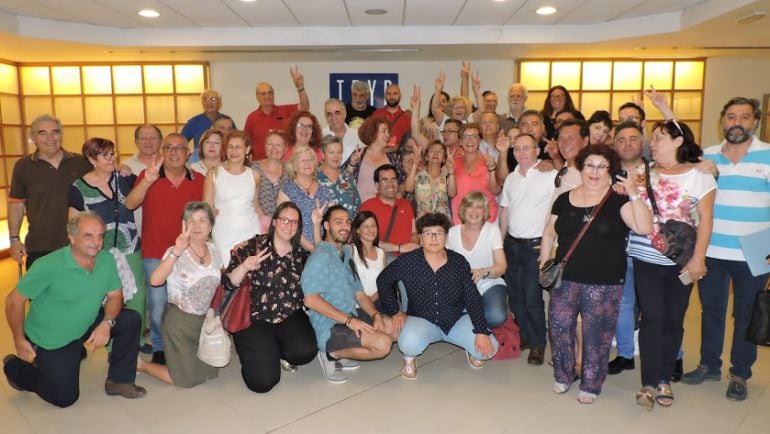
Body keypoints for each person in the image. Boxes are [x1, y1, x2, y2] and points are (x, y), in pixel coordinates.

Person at [540, 145, 652, 404]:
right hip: (565, 279)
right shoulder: (564, 198)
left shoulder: (619, 199)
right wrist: (545, 264)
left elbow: (644, 228)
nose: (594, 171)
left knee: (597, 334)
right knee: (559, 329)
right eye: (590, 165)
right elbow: (548, 233)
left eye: (602, 166)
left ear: (610, 170)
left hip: (604, 281)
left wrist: (634, 193)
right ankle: (563, 374)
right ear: (581, 167)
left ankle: (591, 383)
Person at [3, 212, 145, 407]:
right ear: (71, 237)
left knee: (129, 319)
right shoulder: (48, 265)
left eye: (100, 236)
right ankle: (15, 368)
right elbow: (13, 301)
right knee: (64, 398)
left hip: (85, 322)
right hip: (52, 339)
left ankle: (119, 381)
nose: (96, 242)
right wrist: (18, 339)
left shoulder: (106, 259)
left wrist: (106, 323)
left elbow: (115, 296)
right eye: (89, 236)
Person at [683, 97, 770, 402]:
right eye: (731, 116)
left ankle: (740, 373)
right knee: (712, 311)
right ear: (722, 121)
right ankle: (709, 364)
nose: (737, 123)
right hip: (713, 247)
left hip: (756, 249)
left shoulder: (768, 156)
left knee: (746, 314)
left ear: (754, 122)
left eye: (744, 117)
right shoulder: (708, 156)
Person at [629, 120, 716, 409]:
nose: (652, 143)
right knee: (652, 318)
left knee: (673, 319)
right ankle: (650, 383)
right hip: (646, 258)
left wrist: (698, 258)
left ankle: (665, 377)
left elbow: (705, 221)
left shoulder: (700, 175)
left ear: (678, 141)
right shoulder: (642, 173)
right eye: (651, 138)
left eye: (660, 138)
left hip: (682, 261)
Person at [378, 212, 499, 379]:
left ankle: (470, 349)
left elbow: (472, 297)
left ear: (446, 237)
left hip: (455, 318)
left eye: (439, 233)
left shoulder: (458, 262)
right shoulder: (408, 261)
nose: (434, 238)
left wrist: (480, 331)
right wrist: (395, 311)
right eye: (428, 233)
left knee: (489, 349)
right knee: (408, 344)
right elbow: (383, 281)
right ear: (420, 237)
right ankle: (409, 358)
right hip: (422, 319)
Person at [126, 133, 205, 365]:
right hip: (155, 253)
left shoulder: (198, 179)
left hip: (188, 254)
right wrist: (147, 181)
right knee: (158, 304)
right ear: (162, 152)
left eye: (180, 148)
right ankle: (160, 345)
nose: (174, 152)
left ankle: (187, 342)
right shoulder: (147, 175)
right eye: (168, 147)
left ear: (188, 153)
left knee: (188, 302)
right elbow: (130, 204)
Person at [222, 202, 319, 392]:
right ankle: (256, 348)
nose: (289, 226)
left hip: (289, 314)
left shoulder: (300, 254)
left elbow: (322, 255)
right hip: (254, 318)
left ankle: (275, 349)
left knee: (305, 352)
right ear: (274, 221)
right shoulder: (252, 247)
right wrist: (244, 268)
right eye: (284, 220)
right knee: (262, 382)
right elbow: (227, 282)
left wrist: (316, 225)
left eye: (294, 222)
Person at [303, 205, 399, 384]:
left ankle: (344, 349)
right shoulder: (320, 257)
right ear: (326, 226)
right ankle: (331, 353)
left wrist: (375, 315)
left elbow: (359, 293)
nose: (345, 226)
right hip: (329, 324)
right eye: (338, 222)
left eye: (347, 222)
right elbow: (310, 299)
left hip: (351, 314)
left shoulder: (346, 254)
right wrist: (349, 321)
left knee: (395, 329)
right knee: (383, 344)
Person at [68, 137, 147, 351]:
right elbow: (73, 221)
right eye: (106, 155)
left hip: (130, 244)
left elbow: (136, 199)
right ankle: (113, 346)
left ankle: (136, 340)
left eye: (113, 154)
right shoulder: (78, 187)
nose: (112, 159)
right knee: (110, 299)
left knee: (138, 295)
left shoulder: (124, 177)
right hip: (100, 252)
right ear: (92, 159)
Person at [136, 202, 223, 388]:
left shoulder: (215, 251)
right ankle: (141, 365)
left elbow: (217, 284)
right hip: (179, 322)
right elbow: (155, 280)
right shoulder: (175, 252)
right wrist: (177, 251)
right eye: (191, 221)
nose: (197, 226)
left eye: (202, 220)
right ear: (184, 225)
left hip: (202, 321)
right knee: (188, 380)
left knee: (210, 372)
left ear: (211, 225)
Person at [499, 133, 557, 365]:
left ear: (537, 150)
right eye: (517, 149)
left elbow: (556, 212)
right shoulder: (511, 179)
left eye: (527, 148)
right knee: (515, 297)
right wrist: (500, 245)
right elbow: (505, 212)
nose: (522, 152)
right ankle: (524, 334)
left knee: (534, 298)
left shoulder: (550, 175)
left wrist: (548, 245)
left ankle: (538, 343)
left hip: (535, 246)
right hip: (512, 245)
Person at [9, 114, 91, 270]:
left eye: (55, 132)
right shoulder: (23, 166)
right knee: (41, 294)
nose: (50, 138)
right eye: (42, 133)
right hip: (40, 245)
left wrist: (122, 168)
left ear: (61, 134)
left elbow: (103, 180)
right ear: (33, 137)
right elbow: (16, 205)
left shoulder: (81, 162)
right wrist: (14, 239)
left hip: (79, 245)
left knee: (77, 294)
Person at [446, 191, 508, 335]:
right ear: (463, 210)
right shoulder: (452, 233)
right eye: (470, 207)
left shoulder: (492, 231)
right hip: (461, 285)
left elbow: (501, 266)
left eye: (479, 207)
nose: (474, 211)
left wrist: (482, 272)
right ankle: (474, 326)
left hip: (489, 281)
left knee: (496, 316)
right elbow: (446, 266)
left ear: (485, 211)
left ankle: (470, 325)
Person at [203, 130, 264, 265]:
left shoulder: (255, 175)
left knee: (248, 279)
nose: (233, 151)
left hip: (250, 232)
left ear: (247, 149)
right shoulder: (214, 173)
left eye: (238, 147)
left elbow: (255, 205)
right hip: (223, 233)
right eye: (230, 147)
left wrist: (268, 224)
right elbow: (206, 207)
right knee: (227, 276)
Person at [243, 67, 309, 160]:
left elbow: (304, 108)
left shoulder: (285, 111)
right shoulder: (252, 117)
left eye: (270, 93)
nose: (267, 96)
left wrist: (300, 87)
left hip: (284, 165)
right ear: (257, 97)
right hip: (260, 166)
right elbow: (245, 143)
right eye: (263, 93)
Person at [277, 145, 333, 251]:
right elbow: (285, 225)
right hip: (295, 247)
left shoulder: (324, 190)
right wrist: (311, 249)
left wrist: (323, 248)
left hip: (323, 247)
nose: (307, 163)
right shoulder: (286, 190)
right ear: (294, 166)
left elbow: (330, 223)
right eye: (303, 160)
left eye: (311, 159)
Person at [359, 164, 420, 257]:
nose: (390, 184)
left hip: (408, 258)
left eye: (393, 179)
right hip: (382, 258)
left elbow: (414, 232)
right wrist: (399, 248)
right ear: (377, 185)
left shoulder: (406, 204)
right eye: (385, 180)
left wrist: (412, 248)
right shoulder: (367, 207)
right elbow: (365, 239)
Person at [447, 123, 500, 225]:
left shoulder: (488, 160)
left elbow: (496, 191)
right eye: (465, 137)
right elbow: (451, 194)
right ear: (460, 142)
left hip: (486, 219)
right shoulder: (453, 162)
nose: (470, 140)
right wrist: (450, 171)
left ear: (479, 141)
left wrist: (492, 169)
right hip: (461, 219)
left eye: (474, 137)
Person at [344, 116, 405, 202]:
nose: (388, 135)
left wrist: (399, 192)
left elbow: (403, 181)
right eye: (384, 131)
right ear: (373, 132)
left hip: (386, 208)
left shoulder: (392, 157)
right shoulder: (359, 154)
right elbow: (345, 181)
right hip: (362, 208)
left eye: (388, 132)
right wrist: (352, 164)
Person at [181, 89, 235, 163]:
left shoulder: (227, 121)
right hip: (200, 159)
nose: (209, 102)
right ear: (202, 103)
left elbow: (236, 139)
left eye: (213, 99)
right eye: (205, 99)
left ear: (219, 102)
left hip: (225, 159)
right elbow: (181, 141)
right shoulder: (194, 122)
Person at [350, 211, 387, 308]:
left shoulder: (381, 253)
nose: (371, 230)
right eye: (366, 226)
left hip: (377, 303)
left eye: (373, 226)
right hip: (355, 305)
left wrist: (370, 301)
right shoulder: (351, 250)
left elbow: (384, 283)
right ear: (358, 230)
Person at [317, 135, 361, 216]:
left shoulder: (348, 177)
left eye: (339, 152)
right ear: (323, 154)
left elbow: (358, 207)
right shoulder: (314, 178)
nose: (336, 156)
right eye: (331, 152)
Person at [405, 140, 450, 219]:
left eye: (439, 151)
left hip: (443, 223)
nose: (435, 153)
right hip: (423, 223)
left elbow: (452, 194)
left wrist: (451, 171)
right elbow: (408, 188)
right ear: (426, 157)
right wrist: (415, 164)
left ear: (444, 159)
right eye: (432, 150)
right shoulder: (418, 176)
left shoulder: (447, 177)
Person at [252, 130, 289, 220]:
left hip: (284, 223)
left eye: (279, 145)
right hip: (258, 222)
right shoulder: (253, 168)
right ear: (265, 146)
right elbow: (251, 200)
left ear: (285, 149)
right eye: (270, 144)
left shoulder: (290, 171)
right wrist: (266, 221)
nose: (274, 148)